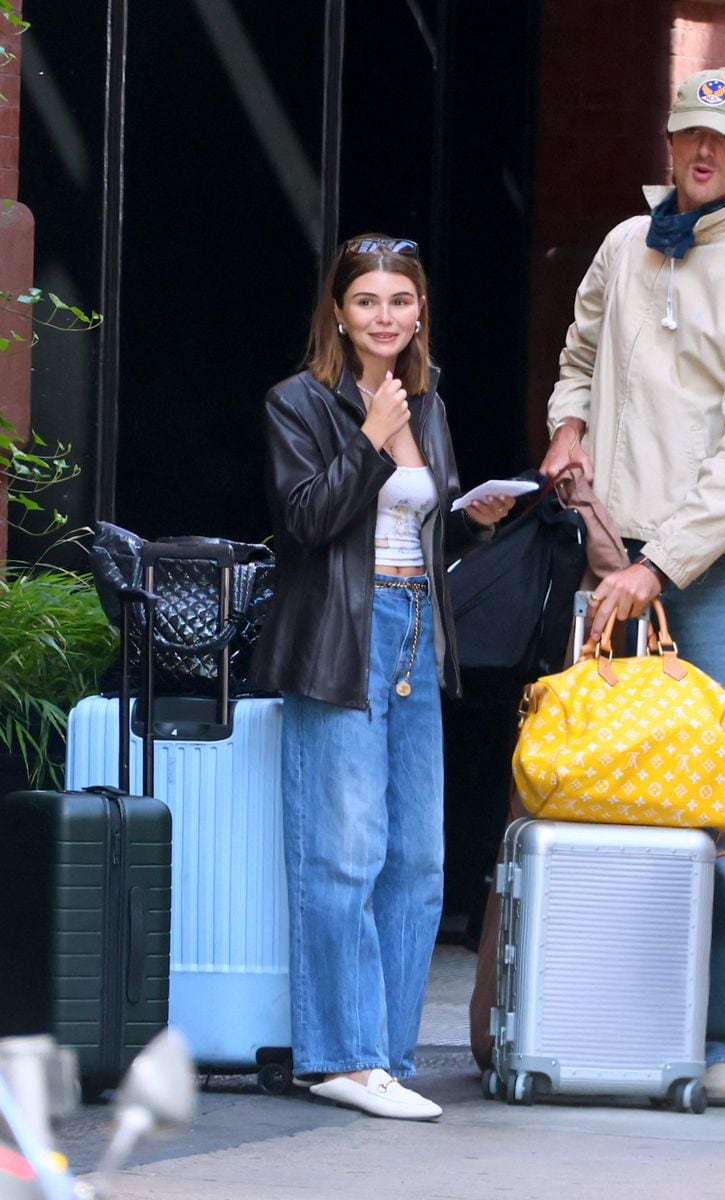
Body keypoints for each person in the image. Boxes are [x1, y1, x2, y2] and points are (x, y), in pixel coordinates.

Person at [540, 68, 725, 1105]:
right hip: (612, 563)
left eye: (723, 139)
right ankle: (615, 1020)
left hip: (711, 583)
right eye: (687, 135)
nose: (701, 152)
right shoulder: (626, 247)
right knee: (608, 803)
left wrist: (654, 568)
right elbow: (577, 355)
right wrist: (567, 424)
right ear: (668, 144)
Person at [250, 234, 515, 1121]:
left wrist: (471, 518)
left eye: (400, 302)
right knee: (345, 853)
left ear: (419, 312)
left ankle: (389, 1053)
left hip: (411, 632)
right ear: (338, 312)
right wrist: (368, 437)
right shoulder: (298, 403)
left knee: (418, 861)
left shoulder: (429, 406)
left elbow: (414, 524)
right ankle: (341, 1055)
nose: (385, 317)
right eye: (367, 301)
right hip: (338, 638)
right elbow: (306, 521)